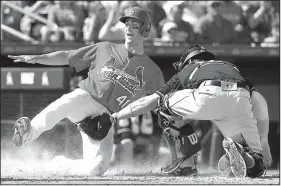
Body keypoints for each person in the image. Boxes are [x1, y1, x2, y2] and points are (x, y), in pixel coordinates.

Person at [8, 7, 165, 176]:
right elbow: (67, 56)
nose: (127, 28)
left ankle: (60, 164)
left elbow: (164, 101)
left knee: (97, 169)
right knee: (63, 104)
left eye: (134, 25)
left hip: (106, 117)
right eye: (126, 24)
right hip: (86, 97)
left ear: (145, 29)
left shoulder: (152, 71)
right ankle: (29, 131)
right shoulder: (105, 47)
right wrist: (38, 58)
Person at [111, 44, 272, 178]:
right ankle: (246, 154)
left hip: (208, 95)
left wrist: (116, 116)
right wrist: (263, 140)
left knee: (162, 104)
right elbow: (259, 101)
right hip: (240, 98)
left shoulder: (192, 67)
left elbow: (150, 102)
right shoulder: (231, 67)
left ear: (189, 60)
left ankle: (185, 164)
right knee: (256, 168)